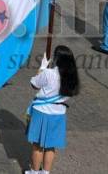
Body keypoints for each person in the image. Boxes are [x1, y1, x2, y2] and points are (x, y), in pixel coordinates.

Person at [24, 46, 80, 174]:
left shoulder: (49, 73)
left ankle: (34, 172)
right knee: (50, 146)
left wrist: (42, 67)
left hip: (42, 112)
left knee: (37, 145)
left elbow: (33, 84)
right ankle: (45, 172)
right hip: (59, 113)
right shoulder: (72, 76)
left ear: (56, 59)